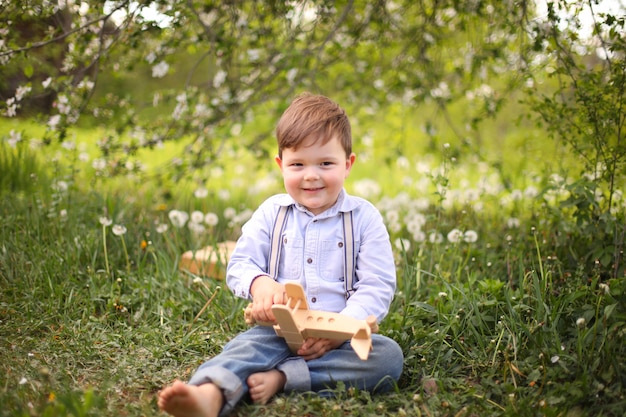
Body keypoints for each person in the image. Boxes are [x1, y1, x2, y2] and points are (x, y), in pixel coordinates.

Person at [158, 93, 403, 417]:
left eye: (325, 163)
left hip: (339, 340)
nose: (311, 175)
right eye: (298, 164)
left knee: (387, 357)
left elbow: (377, 284)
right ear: (280, 165)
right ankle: (210, 393)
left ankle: (283, 377)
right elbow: (241, 263)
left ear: (348, 164)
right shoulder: (273, 213)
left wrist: (338, 331)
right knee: (247, 347)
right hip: (278, 331)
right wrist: (261, 287)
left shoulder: (364, 218)